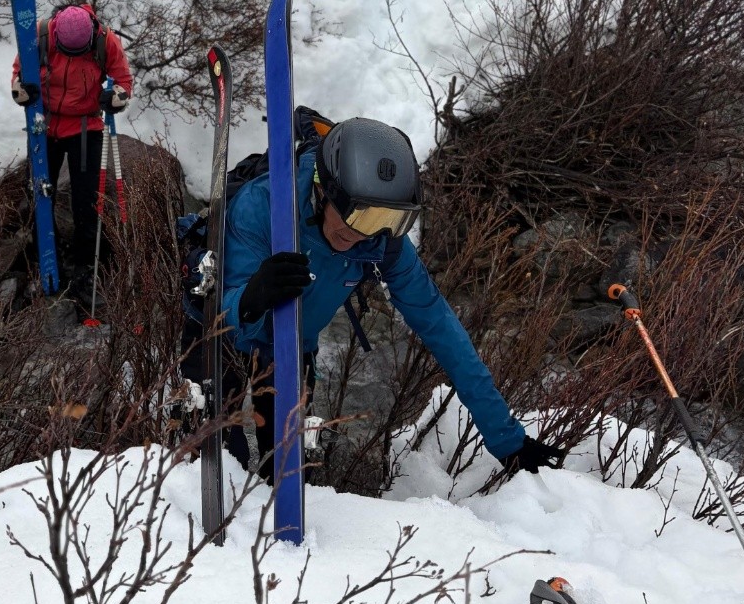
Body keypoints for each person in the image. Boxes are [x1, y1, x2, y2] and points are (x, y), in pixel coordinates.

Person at [194, 115, 563, 482]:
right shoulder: (263, 205)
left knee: (287, 469)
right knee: (219, 462)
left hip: (292, 341)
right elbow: (225, 319)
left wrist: (508, 440)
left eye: (383, 219)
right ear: (324, 190)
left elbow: (441, 329)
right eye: (359, 215)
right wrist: (255, 297)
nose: (361, 234)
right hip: (218, 330)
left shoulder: (380, 241)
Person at [11, 3, 131, 288]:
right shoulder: (40, 36)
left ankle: (86, 263)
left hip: (86, 126)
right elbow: (19, 72)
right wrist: (19, 91)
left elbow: (123, 80)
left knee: (87, 201)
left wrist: (116, 97)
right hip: (45, 126)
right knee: (41, 195)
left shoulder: (105, 41)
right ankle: (45, 258)